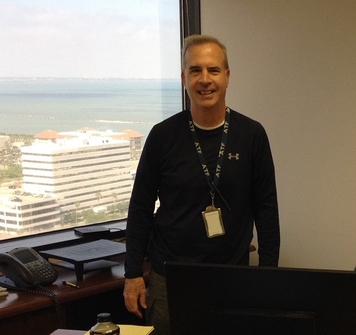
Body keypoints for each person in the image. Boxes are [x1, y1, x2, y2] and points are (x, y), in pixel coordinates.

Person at [123, 34, 280, 335]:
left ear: (228, 76)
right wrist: (132, 275)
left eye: (213, 70)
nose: (204, 80)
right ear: (184, 77)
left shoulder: (251, 135)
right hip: (169, 279)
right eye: (195, 70)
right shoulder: (163, 136)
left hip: (232, 276)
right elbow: (140, 208)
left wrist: (267, 278)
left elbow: (267, 208)